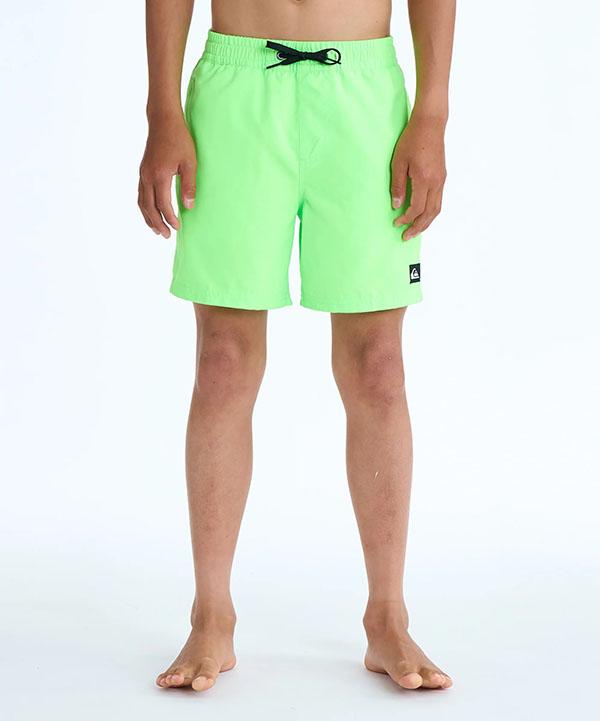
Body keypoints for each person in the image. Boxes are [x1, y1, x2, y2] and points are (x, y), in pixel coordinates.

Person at [138, 0, 455, 693]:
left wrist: (431, 115)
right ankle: (211, 614)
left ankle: (388, 616)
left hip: (363, 93)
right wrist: (163, 112)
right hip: (236, 87)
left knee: (378, 366)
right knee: (222, 361)